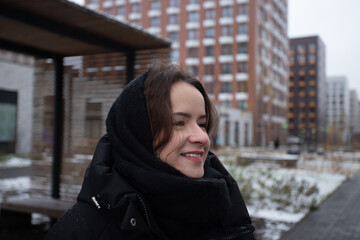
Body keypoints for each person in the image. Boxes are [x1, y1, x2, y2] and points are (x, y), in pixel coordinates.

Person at [45, 63, 255, 240]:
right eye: (179, 123)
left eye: (202, 124)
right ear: (138, 134)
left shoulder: (225, 208)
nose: (203, 137)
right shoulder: (83, 230)